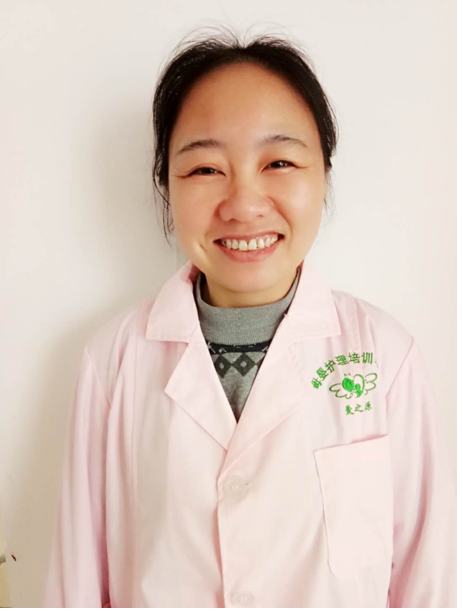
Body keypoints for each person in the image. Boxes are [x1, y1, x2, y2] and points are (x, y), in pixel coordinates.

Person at [42, 27, 456, 608]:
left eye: (279, 162)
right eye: (205, 169)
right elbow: (77, 587)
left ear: (324, 174)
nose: (243, 205)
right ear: (166, 185)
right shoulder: (113, 362)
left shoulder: (386, 357)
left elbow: (430, 583)